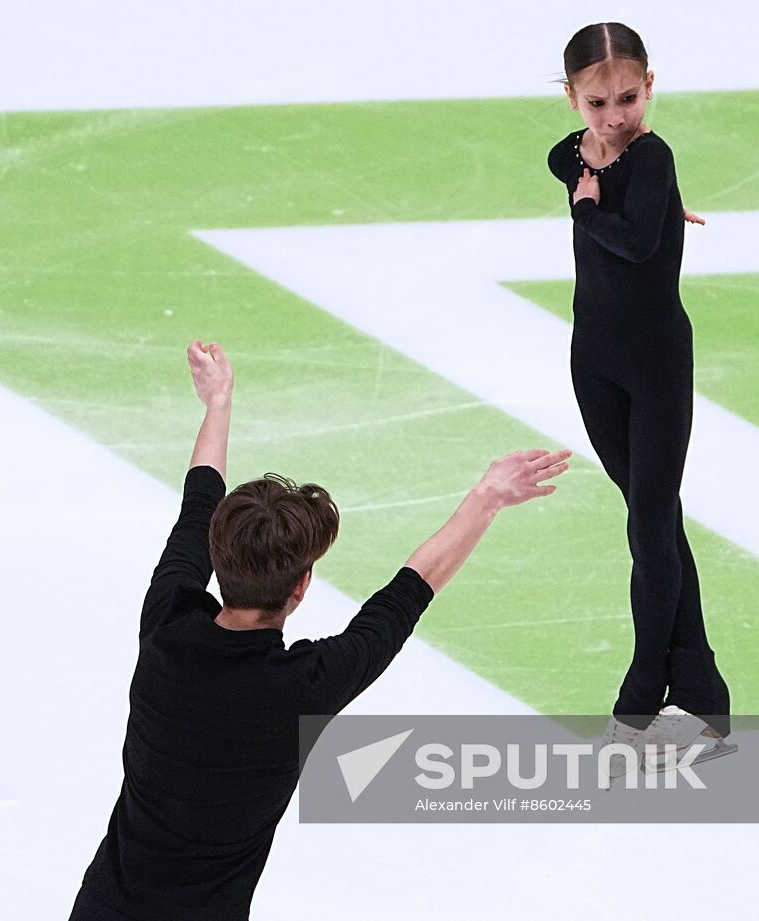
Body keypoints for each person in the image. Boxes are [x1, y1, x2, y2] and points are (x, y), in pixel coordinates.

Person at [69, 340, 571, 920]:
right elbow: (406, 594)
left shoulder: (165, 627)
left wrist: (218, 404)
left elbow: (197, 506)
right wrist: (486, 498)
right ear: (302, 586)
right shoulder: (303, 686)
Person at [546, 21, 736, 772]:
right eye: (597, 102)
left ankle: (641, 698)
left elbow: (629, 241)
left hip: (657, 365)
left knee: (651, 524)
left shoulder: (654, 156)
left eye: (628, 97)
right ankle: (704, 698)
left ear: (650, 86)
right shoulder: (572, 155)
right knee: (651, 520)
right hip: (592, 361)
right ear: (572, 97)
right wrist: (611, 196)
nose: (614, 116)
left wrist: (602, 207)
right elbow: (563, 159)